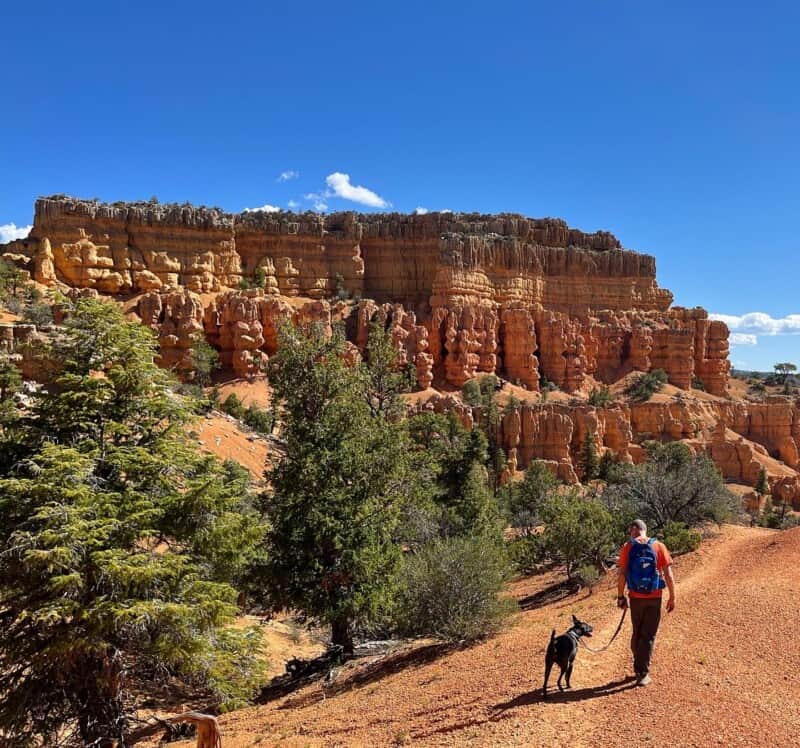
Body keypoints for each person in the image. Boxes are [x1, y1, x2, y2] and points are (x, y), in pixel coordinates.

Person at [616, 519, 675, 686]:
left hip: (635, 598)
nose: (630, 534)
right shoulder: (659, 546)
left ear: (635, 529)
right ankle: (642, 673)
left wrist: (620, 596)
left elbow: (621, 574)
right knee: (648, 635)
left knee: (638, 631)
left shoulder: (628, 547)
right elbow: (668, 575)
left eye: (630, 531)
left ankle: (639, 663)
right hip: (654, 597)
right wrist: (672, 596)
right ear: (644, 529)